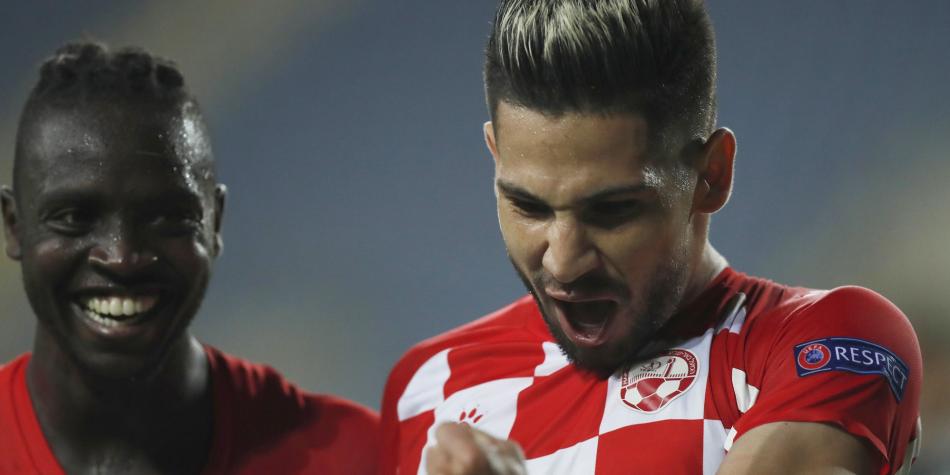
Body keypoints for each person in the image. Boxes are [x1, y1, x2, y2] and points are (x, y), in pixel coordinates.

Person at [379, 1, 922, 473]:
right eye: (529, 206)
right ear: (495, 155)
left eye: (612, 211)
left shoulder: (829, 344)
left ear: (711, 175)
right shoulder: (426, 387)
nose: (564, 262)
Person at [0, 42, 378, 474]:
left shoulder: (361, 459)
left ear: (214, 223)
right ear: (14, 226)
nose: (122, 258)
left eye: (167, 217)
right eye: (74, 217)